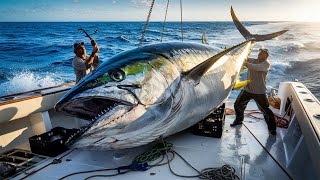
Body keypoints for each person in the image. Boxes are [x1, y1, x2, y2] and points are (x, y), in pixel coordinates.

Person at [230, 48, 277, 135]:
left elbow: (255, 67)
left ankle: (272, 129)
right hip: (247, 89)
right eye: (260, 52)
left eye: (262, 53)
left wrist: (245, 63)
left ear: (266, 56)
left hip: (259, 92)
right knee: (238, 105)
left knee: (265, 110)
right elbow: (244, 59)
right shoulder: (253, 60)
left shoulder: (266, 64)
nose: (260, 54)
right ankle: (239, 120)